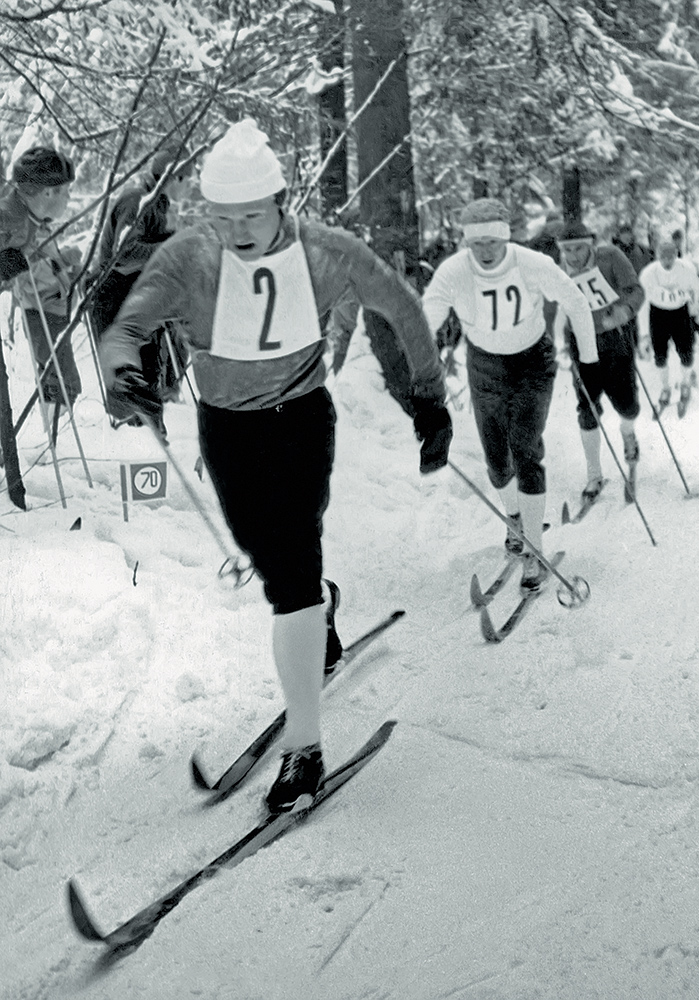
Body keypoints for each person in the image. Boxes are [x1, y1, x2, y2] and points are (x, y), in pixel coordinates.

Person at [98, 119, 452, 814]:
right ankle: (313, 619)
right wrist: (122, 375)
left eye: (251, 216)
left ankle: (304, 748)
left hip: (299, 421)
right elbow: (127, 330)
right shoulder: (189, 255)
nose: (236, 231)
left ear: (281, 201)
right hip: (225, 429)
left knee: (289, 571)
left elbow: (404, 309)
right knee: (267, 553)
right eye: (222, 217)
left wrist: (428, 402)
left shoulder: (325, 251)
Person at [422, 198, 598, 592]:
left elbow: (574, 300)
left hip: (532, 362)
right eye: (476, 243)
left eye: (493, 242)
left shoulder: (531, 262)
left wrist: (588, 356)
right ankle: (515, 520)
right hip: (485, 363)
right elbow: (425, 320)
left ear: (506, 239)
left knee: (525, 447)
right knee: (496, 456)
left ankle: (534, 546)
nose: (485, 252)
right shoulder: (454, 271)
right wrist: (417, 373)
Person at [89, 146, 192, 426]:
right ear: (173, 178)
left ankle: (149, 449)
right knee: (128, 387)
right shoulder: (138, 200)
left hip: (133, 294)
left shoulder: (158, 203)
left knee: (151, 379)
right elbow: (124, 253)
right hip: (112, 294)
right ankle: (130, 454)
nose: (190, 186)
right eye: (187, 178)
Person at [556, 222, 644, 500]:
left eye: (579, 248)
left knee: (626, 405)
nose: (573, 256)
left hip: (615, 336)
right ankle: (594, 475)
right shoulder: (557, 270)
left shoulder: (611, 257)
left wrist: (625, 310)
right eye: (567, 250)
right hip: (581, 342)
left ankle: (627, 431)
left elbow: (635, 290)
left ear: (591, 244)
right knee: (587, 406)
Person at [0, 147, 82, 416]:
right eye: (66, 191)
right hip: (41, 308)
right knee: (58, 377)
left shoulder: (31, 218)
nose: (69, 198)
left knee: (61, 378)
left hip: (50, 305)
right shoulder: (10, 218)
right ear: (48, 191)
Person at [638, 240, 699, 412]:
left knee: (686, 352)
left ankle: (685, 383)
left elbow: (696, 290)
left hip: (680, 312)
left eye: (671, 257)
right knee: (660, 355)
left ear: (676, 255)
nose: (667, 261)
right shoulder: (648, 274)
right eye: (664, 257)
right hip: (658, 314)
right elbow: (642, 304)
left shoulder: (686, 269)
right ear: (658, 256)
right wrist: (644, 333)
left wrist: (698, 310)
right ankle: (665, 388)